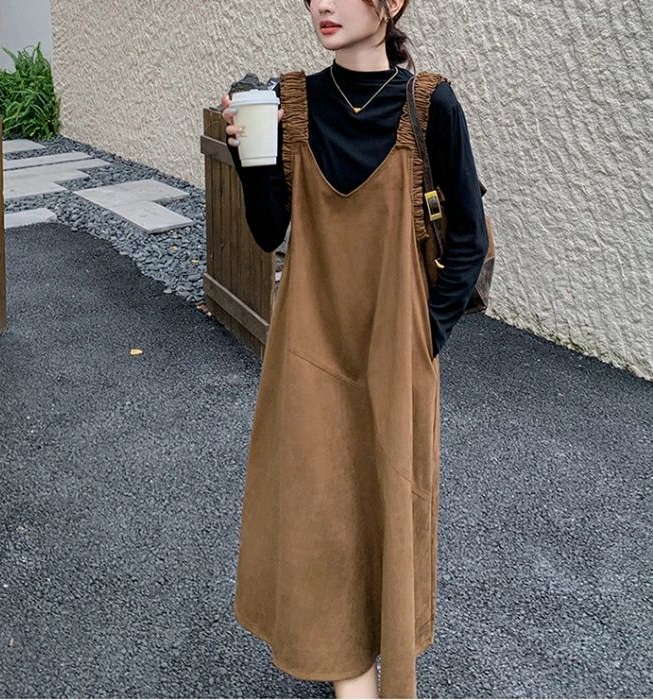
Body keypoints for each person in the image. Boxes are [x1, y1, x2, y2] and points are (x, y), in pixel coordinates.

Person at [219, 1, 488, 698]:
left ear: (391, 4)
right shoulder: (290, 103)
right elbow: (269, 229)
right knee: (319, 511)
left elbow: (470, 237)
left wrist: (426, 335)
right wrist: (251, 157)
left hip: (398, 348)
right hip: (309, 344)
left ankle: (370, 652)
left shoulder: (429, 105)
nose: (322, 6)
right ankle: (349, 669)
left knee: (388, 504)